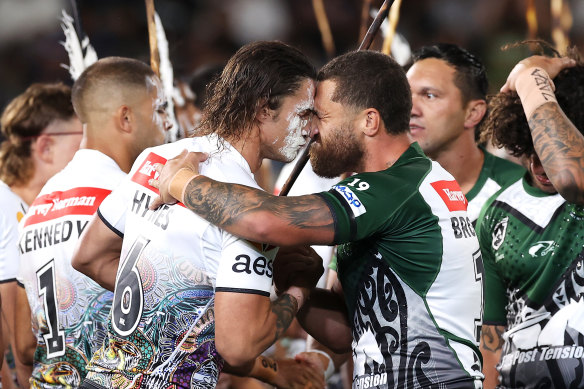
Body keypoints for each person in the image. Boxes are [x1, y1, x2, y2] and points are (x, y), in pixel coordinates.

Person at [151, 49, 485, 388]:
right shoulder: (394, 189)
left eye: (321, 116)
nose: (310, 131)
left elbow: (268, 221)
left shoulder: (396, 186)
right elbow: (344, 331)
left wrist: (181, 181)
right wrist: (302, 287)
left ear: (369, 121)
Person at [71, 41, 325, 389]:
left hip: (101, 379)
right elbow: (238, 348)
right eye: (306, 113)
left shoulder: (158, 158)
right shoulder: (250, 209)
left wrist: (165, 300)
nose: (313, 130)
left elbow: (88, 257)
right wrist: (299, 289)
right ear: (264, 108)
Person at [14, 57, 171, 388]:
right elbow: (179, 313)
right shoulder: (134, 200)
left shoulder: (33, 211)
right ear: (126, 118)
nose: (168, 124)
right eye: (159, 110)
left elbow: (26, 347)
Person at [476, 50, 584, 388]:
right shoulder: (496, 212)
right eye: (530, 147)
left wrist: (528, 75)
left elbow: (570, 174)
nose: (540, 163)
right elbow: (492, 334)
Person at [0, 83, 83, 387]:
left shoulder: (26, 209)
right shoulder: (6, 206)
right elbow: (16, 345)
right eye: (83, 138)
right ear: (45, 147)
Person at [406, 43, 525, 223]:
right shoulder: (382, 187)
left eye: (429, 95)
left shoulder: (516, 190)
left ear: (473, 113)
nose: (411, 109)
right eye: (406, 96)